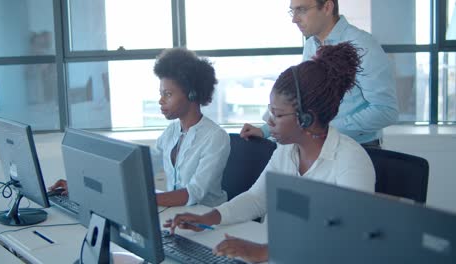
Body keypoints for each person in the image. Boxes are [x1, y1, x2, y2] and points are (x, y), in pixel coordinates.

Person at [165, 42, 376, 263]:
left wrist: (265, 251)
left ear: (307, 118)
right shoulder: (286, 151)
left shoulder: (351, 161)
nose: (268, 120)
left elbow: (349, 235)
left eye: (277, 113)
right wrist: (208, 217)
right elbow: (256, 199)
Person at [49, 48, 230, 208]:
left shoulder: (216, 137)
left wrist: (131, 199)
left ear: (192, 94)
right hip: (176, 216)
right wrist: (82, 186)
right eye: (161, 94)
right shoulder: (172, 132)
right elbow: (138, 170)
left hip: (209, 221)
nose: (161, 100)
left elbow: (193, 193)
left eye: (168, 94)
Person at [241, 0, 398, 148]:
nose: (294, 19)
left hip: (359, 148)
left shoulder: (361, 45)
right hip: (319, 145)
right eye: (292, 11)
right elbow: (304, 99)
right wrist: (265, 130)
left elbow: (385, 110)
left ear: (327, 7)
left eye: (301, 10)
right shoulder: (311, 45)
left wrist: (323, 130)